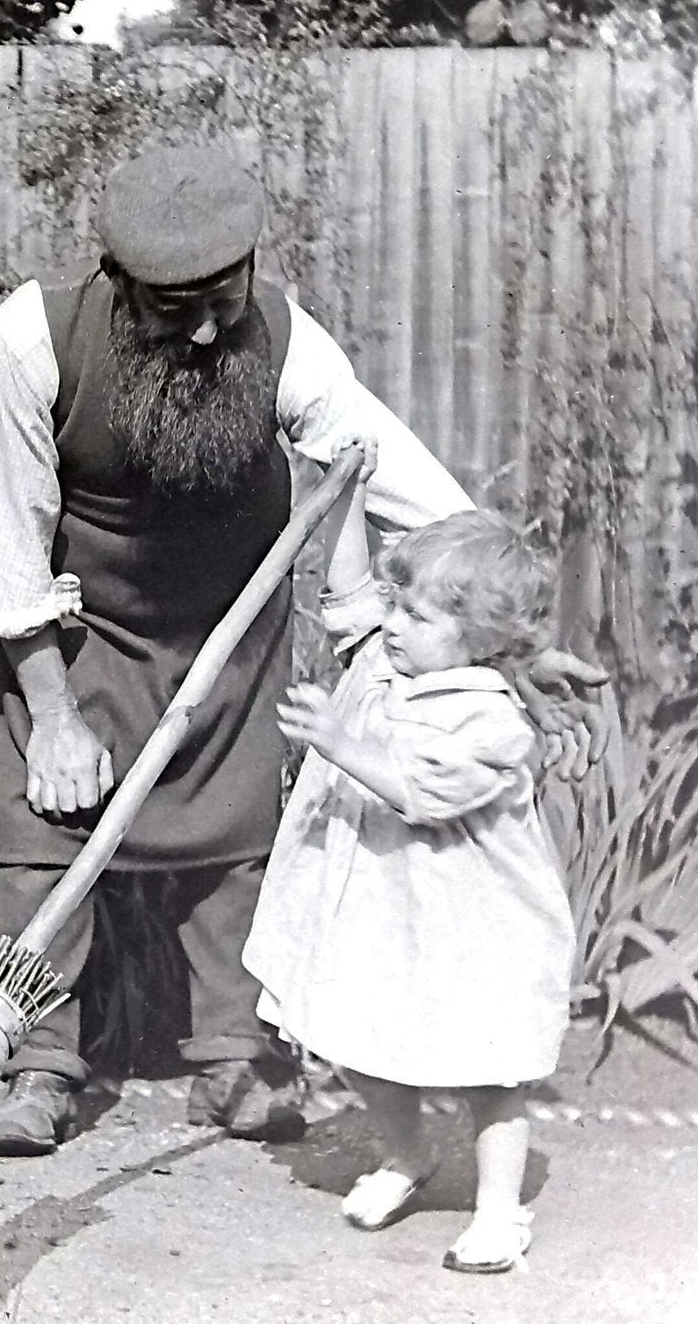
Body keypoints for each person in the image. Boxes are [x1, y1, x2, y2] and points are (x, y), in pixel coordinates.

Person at [0, 142, 603, 1158]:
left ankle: (234, 1060)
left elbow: (391, 477)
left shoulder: (285, 342)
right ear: (117, 284)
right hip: (59, 623)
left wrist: (510, 643)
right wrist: (54, 712)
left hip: (221, 618)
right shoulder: (30, 340)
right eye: (172, 308)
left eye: (223, 294)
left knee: (235, 836)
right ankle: (38, 1063)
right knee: (39, 836)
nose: (206, 327)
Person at [241, 446, 574, 1274]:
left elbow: (420, 792)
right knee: (357, 1035)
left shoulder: (491, 720)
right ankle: (407, 1151)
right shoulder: (386, 665)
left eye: (418, 616)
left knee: (491, 1068)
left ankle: (501, 1211)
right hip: (388, 915)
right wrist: (345, 495)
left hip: (475, 928)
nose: (393, 625)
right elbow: (350, 591)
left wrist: (340, 743)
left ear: (482, 639)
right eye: (397, 607)